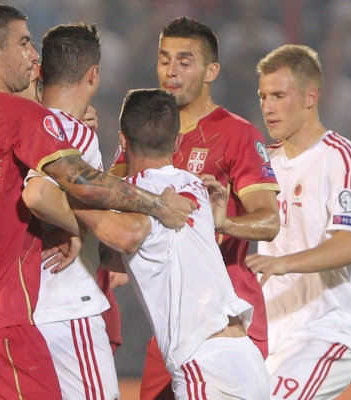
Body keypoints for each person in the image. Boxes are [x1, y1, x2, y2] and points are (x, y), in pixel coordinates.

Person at [0, 4, 195, 399]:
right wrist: (157, 205)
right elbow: (83, 183)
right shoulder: (18, 114)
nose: (33, 56)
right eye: (23, 43)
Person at [109, 17, 280, 399]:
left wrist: (222, 222)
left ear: (211, 71)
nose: (171, 71)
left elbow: (269, 221)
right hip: (174, 322)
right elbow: (108, 199)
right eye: (164, 59)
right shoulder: (145, 136)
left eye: (185, 61)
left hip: (225, 318)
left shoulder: (237, 134)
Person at [75, 88, 269, 399]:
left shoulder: (128, 197)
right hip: (247, 359)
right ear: (177, 142)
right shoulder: (196, 185)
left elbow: (123, 235)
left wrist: (71, 197)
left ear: (122, 141)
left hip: (205, 367)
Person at [246, 44, 351, 399]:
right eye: (263, 96)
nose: (268, 106)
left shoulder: (342, 158)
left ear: (310, 97)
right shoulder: (261, 162)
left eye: (279, 95)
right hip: (270, 338)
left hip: (327, 330)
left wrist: (282, 263)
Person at [22, 23, 120, 399]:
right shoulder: (73, 133)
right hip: (64, 303)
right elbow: (38, 196)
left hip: (23, 309)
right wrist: (76, 227)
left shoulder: (19, 128)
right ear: (93, 74)